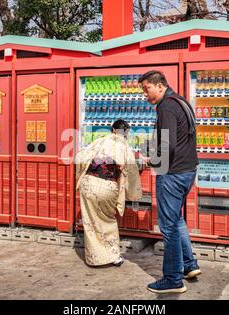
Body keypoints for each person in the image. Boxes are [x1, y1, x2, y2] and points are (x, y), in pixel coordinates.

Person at [139, 70, 201, 294]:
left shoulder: (165, 107)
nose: (145, 95)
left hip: (172, 174)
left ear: (160, 86)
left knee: (168, 227)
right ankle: (189, 265)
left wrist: (150, 159)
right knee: (177, 220)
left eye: (146, 89)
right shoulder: (181, 101)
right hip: (188, 171)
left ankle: (173, 279)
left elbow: (169, 146)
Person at [75, 119, 142, 267]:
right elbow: (132, 173)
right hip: (106, 187)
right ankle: (114, 257)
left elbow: (80, 157)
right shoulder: (125, 148)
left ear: (112, 130)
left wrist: (80, 175)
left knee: (90, 223)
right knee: (108, 221)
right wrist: (134, 195)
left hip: (87, 184)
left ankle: (94, 259)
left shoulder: (100, 141)